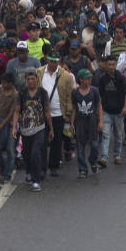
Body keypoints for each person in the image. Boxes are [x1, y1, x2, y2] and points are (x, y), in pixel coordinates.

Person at [36, 46, 74, 177]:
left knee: (57, 141)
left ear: (59, 61)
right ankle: (42, 167)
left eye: (55, 61)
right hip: (41, 113)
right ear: (47, 60)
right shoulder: (39, 72)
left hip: (58, 113)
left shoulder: (65, 76)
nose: (53, 63)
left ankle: (54, 166)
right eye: (51, 60)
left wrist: (68, 113)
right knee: (41, 141)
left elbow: (69, 95)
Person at [18, 68, 53, 192]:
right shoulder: (22, 93)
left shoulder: (43, 93)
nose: (31, 81)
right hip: (25, 129)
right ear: (25, 80)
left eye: (33, 79)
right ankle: (28, 171)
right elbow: (17, 111)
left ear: (37, 80)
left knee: (35, 153)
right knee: (26, 154)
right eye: (28, 79)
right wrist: (14, 128)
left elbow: (47, 111)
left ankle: (36, 180)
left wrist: (51, 129)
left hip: (39, 128)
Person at [94, 55, 126, 167]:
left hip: (118, 112)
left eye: (113, 64)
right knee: (105, 134)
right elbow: (100, 97)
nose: (111, 67)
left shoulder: (121, 77)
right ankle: (104, 157)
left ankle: (117, 155)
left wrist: (125, 107)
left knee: (118, 135)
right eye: (109, 65)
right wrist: (100, 112)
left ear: (116, 65)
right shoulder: (103, 79)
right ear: (106, 65)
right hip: (106, 111)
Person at [69, 68, 103, 178]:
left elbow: (99, 106)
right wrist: (72, 123)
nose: (89, 80)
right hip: (80, 120)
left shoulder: (94, 91)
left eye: (90, 78)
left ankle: (92, 161)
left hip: (92, 119)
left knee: (94, 144)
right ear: (81, 80)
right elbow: (74, 108)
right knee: (80, 145)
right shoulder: (75, 92)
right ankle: (82, 169)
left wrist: (100, 121)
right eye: (87, 78)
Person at [0, 72, 19, 183]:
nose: (2, 84)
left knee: (10, 150)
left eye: (5, 83)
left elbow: (12, 113)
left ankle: (7, 175)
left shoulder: (16, 95)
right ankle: (4, 167)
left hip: (11, 122)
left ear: (11, 83)